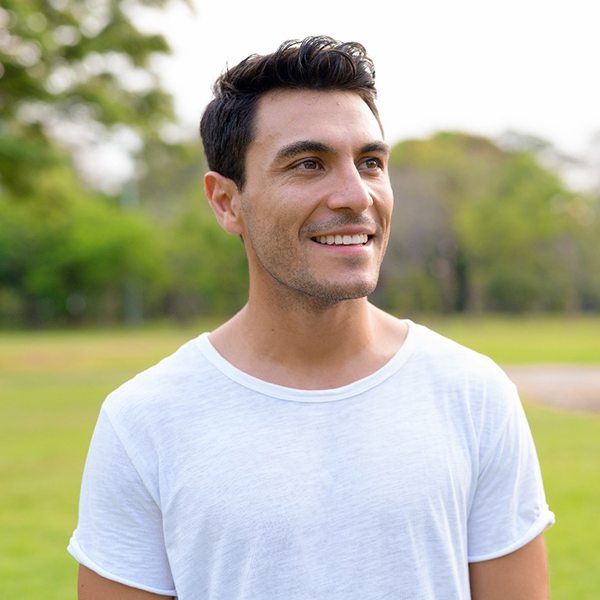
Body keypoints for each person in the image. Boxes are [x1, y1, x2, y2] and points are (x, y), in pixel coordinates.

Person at [68, 36, 554, 599]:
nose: (355, 194)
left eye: (370, 162)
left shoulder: (473, 394)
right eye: (308, 164)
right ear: (226, 202)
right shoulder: (145, 421)